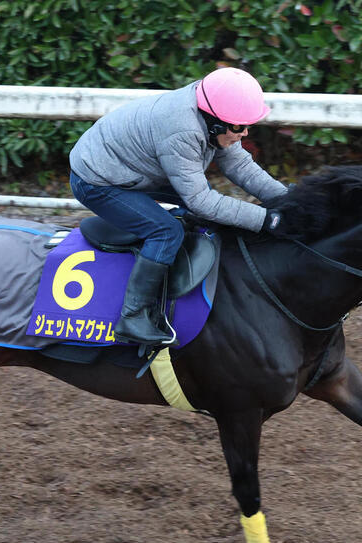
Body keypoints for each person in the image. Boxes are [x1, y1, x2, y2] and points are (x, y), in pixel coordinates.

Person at [69, 67, 290, 346]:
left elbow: (239, 165)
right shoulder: (182, 131)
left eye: (248, 126)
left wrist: (286, 201)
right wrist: (268, 220)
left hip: (132, 163)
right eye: (238, 127)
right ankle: (133, 316)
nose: (244, 133)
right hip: (96, 180)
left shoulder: (212, 110)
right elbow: (201, 201)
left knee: (204, 210)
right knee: (167, 231)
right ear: (216, 122)